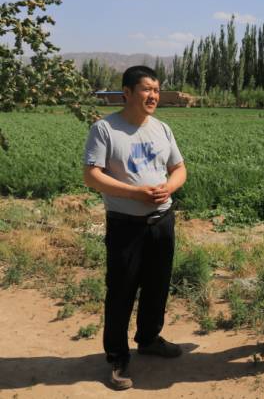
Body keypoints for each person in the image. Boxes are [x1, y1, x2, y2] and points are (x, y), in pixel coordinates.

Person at [83, 66, 187, 390]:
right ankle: (117, 356)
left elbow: (179, 168)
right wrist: (134, 193)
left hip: (161, 221)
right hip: (125, 225)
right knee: (121, 291)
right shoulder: (105, 129)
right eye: (146, 89)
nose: (153, 95)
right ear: (126, 93)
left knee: (157, 285)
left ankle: (149, 338)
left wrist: (169, 188)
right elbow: (92, 175)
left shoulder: (162, 129)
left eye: (156, 90)